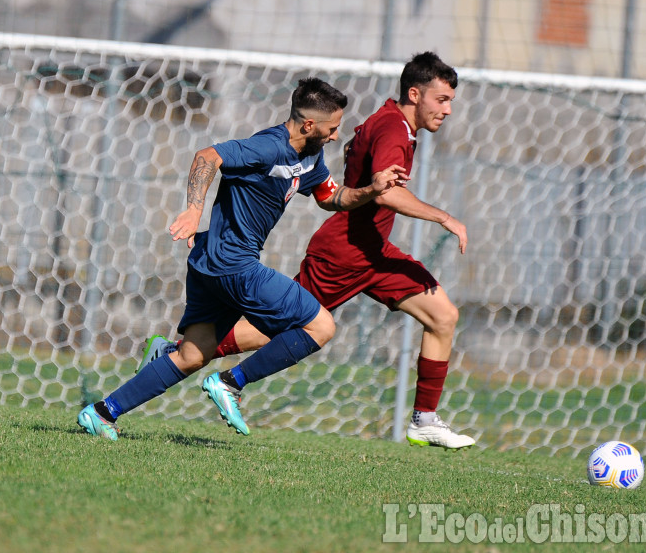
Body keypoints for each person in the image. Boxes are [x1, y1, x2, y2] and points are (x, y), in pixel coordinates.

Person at [141, 52, 475, 450]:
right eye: (442, 100)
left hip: (375, 252)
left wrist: (365, 183)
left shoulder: (389, 127)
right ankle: (186, 358)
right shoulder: (392, 129)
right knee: (288, 327)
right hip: (345, 254)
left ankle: (424, 419)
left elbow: (343, 188)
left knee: (443, 316)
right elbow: (389, 195)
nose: (448, 110)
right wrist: (443, 217)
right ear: (415, 94)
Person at [77, 77, 408, 440]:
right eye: (332, 128)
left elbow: (332, 198)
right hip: (234, 263)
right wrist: (193, 211)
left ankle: (103, 412)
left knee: (191, 356)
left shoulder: (311, 155)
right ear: (309, 125)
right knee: (321, 326)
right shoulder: (268, 147)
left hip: (210, 261)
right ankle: (231, 383)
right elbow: (208, 156)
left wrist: (371, 190)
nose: (334, 136)